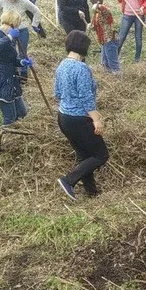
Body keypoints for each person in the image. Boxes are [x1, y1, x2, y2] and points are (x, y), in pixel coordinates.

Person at [55, 30, 108, 201]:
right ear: (84, 47)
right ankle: (68, 180)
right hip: (79, 119)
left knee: (84, 155)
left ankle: (92, 192)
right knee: (101, 155)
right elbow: (86, 98)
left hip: (64, 117)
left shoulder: (61, 65)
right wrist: (96, 119)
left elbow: (57, 93)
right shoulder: (81, 68)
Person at [0, 10, 33, 127]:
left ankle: (16, 135)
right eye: (18, 24)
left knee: (22, 112)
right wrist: (10, 37)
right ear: (13, 23)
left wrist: (22, 62)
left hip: (10, 78)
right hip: (0, 79)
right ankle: (5, 139)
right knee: (10, 117)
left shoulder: (6, 36)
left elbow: (8, 58)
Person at [0, 0, 45, 64]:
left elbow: (36, 11)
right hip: (7, 30)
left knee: (22, 52)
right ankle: (13, 70)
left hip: (21, 30)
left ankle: (23, 70)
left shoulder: (23, 1)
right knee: (9, 51)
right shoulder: (1, 0)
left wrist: (34, 24)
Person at [90, 0, 119, 73]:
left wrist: (98, 5)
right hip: (104, 40)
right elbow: (96, 26)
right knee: (104, 63)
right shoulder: (97, 14)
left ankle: (118, 79)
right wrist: (90, 26)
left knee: (113, 64)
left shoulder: (104, 11)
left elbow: (105, 9)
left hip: (110, 39)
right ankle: (108, 77)